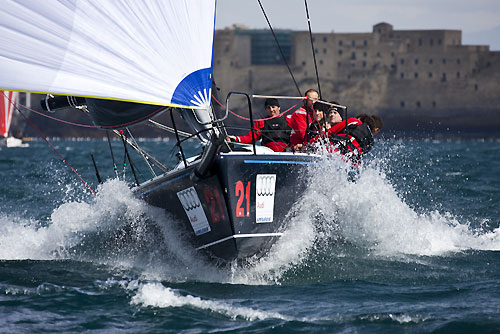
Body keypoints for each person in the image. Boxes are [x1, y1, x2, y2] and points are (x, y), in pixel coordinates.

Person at [226, 98, 290, 152]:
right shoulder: (261, 122)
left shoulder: (289, 119)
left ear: (279, 108)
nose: (271, 110)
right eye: (268, 108)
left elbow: (297, 133)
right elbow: (251, 138)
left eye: (273, 107)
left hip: (286, 150)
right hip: (267, 151)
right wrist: (236, 139)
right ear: (266, 110)